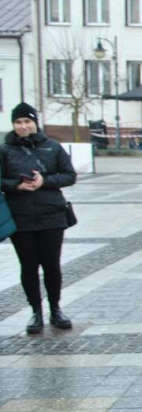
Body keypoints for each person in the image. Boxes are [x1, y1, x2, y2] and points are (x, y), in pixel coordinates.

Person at [0, 103, 77, 333]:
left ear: (35, 122)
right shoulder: (5, 150)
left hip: (51, 215)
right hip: (20, 217)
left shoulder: (52, 147)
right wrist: (17, 185)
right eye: (18, 122)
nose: (23, 126)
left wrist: (45, 181)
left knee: (52, 265)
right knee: (29, 266)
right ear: (13, 125)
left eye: (27, 121)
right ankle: (36, 311)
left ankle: (56, 308)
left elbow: (69, 175)